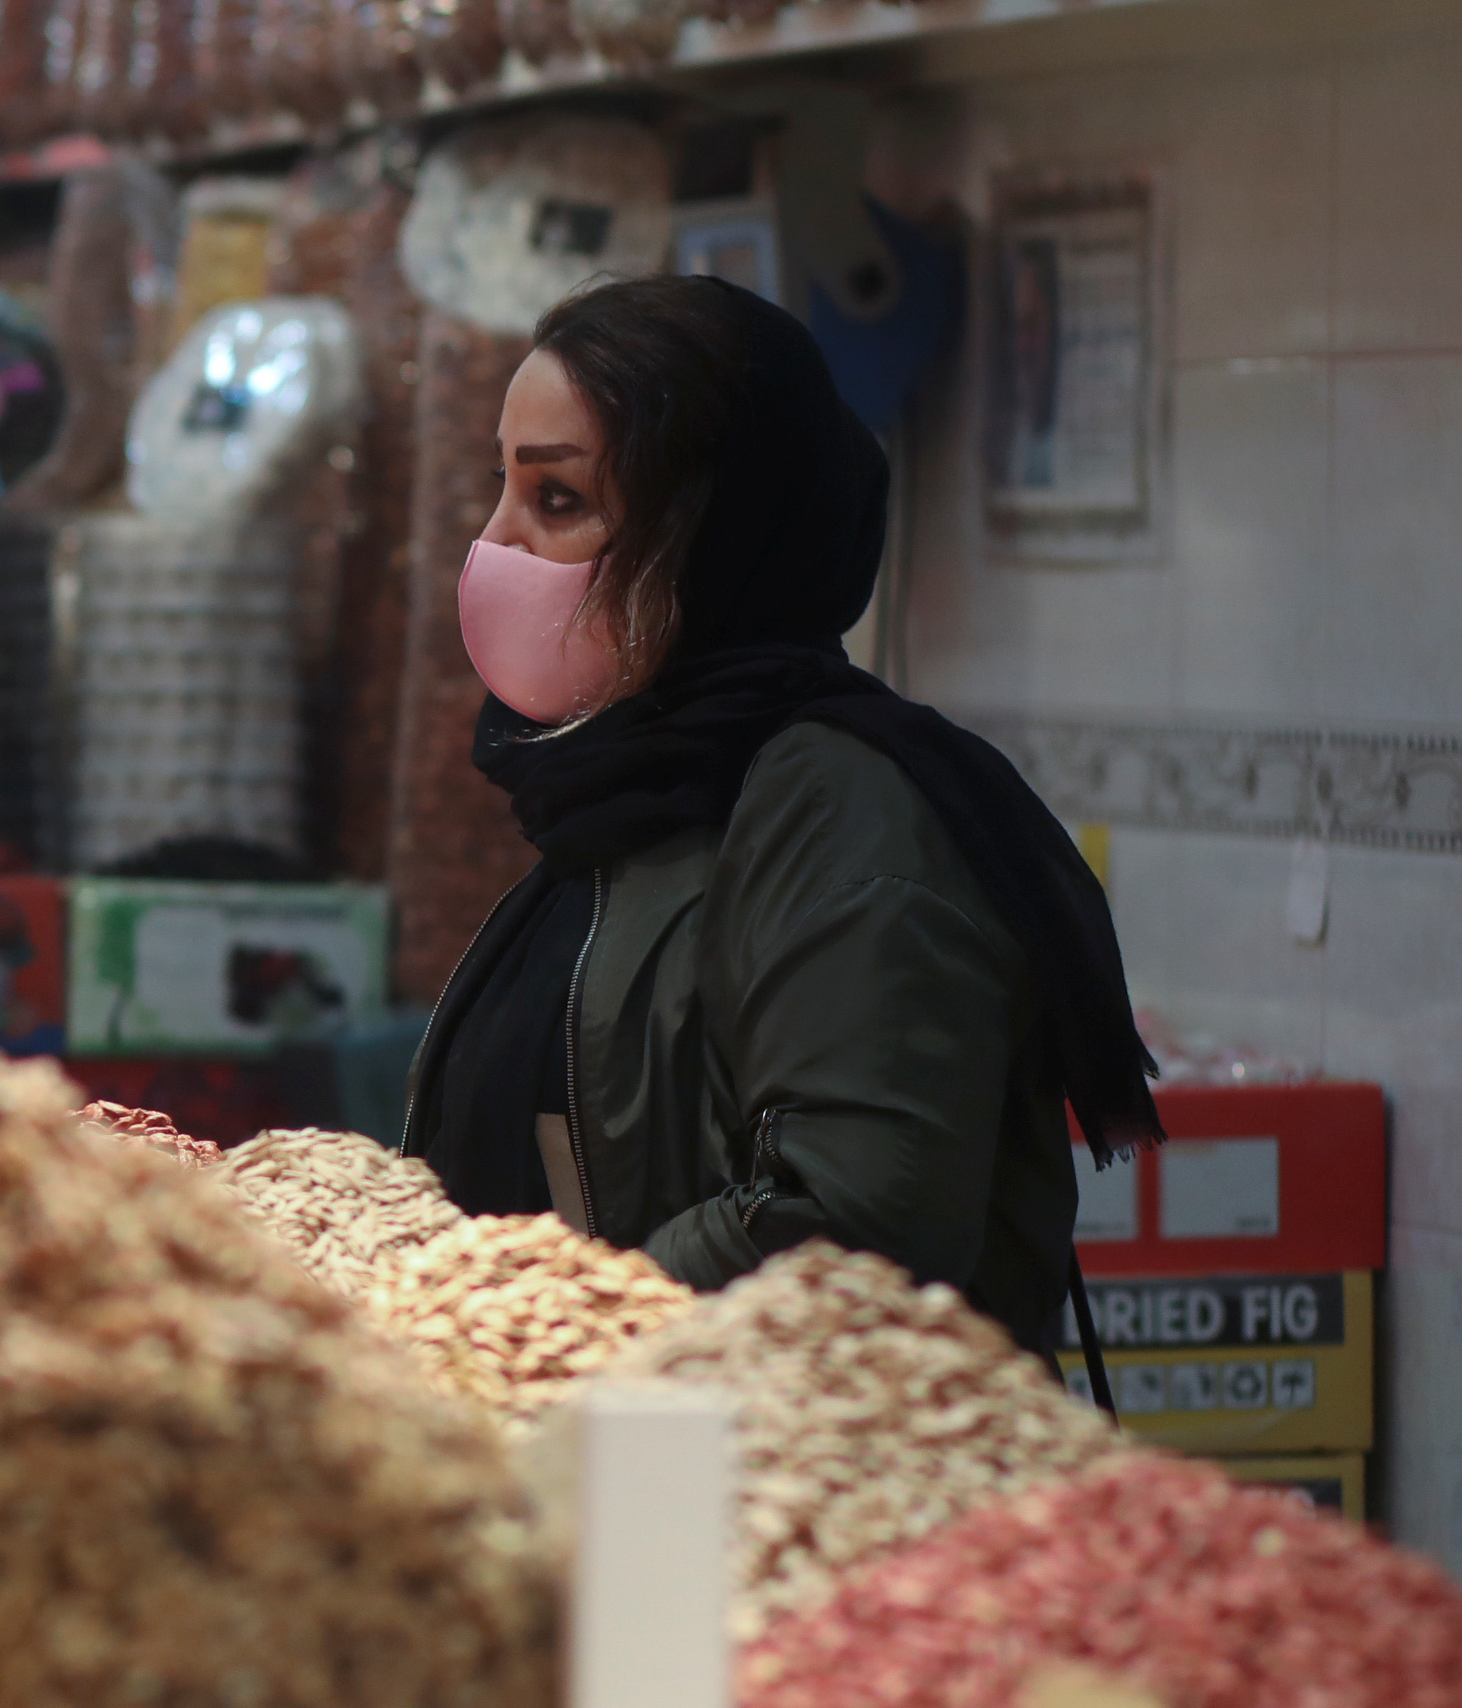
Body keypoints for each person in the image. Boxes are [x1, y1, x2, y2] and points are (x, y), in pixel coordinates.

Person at [402, 273, 1157, 1360]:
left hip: (789, 1499)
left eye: (556, 501)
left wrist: (547, 1332)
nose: (495, 541)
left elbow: (854, 1225)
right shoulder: (626, 798)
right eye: (502, 489)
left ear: (711, 532)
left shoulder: (840, 809)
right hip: (630, 1472)